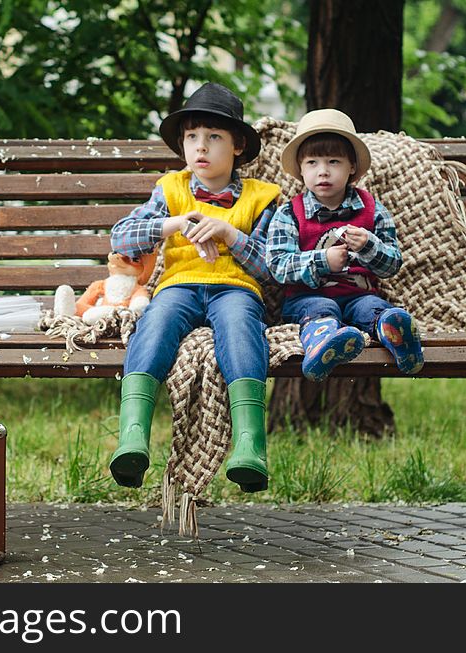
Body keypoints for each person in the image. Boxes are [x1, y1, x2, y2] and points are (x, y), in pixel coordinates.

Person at [108, 82, 280, 493]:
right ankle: (132, 436)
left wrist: (229, 234)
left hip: (235, 289)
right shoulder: (171, 189)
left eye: (214, 137)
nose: (200, 147)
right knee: (156, 322)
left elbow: (272, 266)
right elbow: (121, 238)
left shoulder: (262, 197)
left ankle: (249, 446)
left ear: (238, 146)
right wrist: (173, 224)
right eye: (192, 137)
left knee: (241, 329)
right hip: (179, 287)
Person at [266, 109, 424, 383]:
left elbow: (392, 264)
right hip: (306, 298)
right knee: (321, 311)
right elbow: (278, 266)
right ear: (301, 170)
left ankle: (396, 334)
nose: (323, 171)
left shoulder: (373, 210)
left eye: (334, 161)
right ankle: (324, 343)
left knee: (373, 307)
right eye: (313, 162)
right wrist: (322, 260)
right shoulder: (289, 214)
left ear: (351, 167)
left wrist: (368, 245)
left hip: (358, 295)